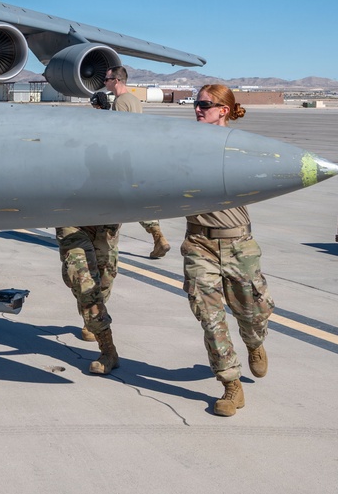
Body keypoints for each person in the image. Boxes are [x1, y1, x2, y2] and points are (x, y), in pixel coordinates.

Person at [183, 85, 273, 417]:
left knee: (251, 313)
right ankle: (231, 385)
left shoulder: (240, 146)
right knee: (210, 318)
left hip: (238, 245)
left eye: (204, 104)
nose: (197, 108)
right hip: (199, 244)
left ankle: (254, 342)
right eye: (196, 103)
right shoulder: (184, 145)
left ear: (223, 110)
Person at [104, 66, 171, 258]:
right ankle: (158, 236)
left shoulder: (120, 102)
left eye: (107, 79)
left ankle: (107, 243)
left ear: (116, 80)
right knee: (138, 199)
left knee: (115, 200)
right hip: (137, 157)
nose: (105, 83)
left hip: (123, 159)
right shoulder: (133, 100)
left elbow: (119, 134)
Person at [55, 224, 121, 374]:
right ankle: (108, 350)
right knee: (84, 281)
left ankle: (93, 320)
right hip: (71, 221)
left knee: (104, 279)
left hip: (106, 222)